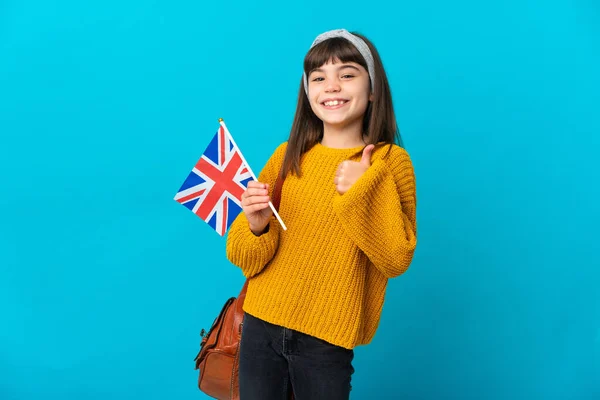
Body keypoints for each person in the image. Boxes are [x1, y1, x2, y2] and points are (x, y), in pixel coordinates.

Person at [226, 28, 417, 400]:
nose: (331, 86)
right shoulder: (287, 156)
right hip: (260, 325)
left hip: (327, 339)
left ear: (373, 88)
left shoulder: (390, 163)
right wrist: (256, 225)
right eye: (318, 77)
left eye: (347, 74)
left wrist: (363, 192)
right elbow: (243, 258)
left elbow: (396, 258)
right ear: (307, 92)